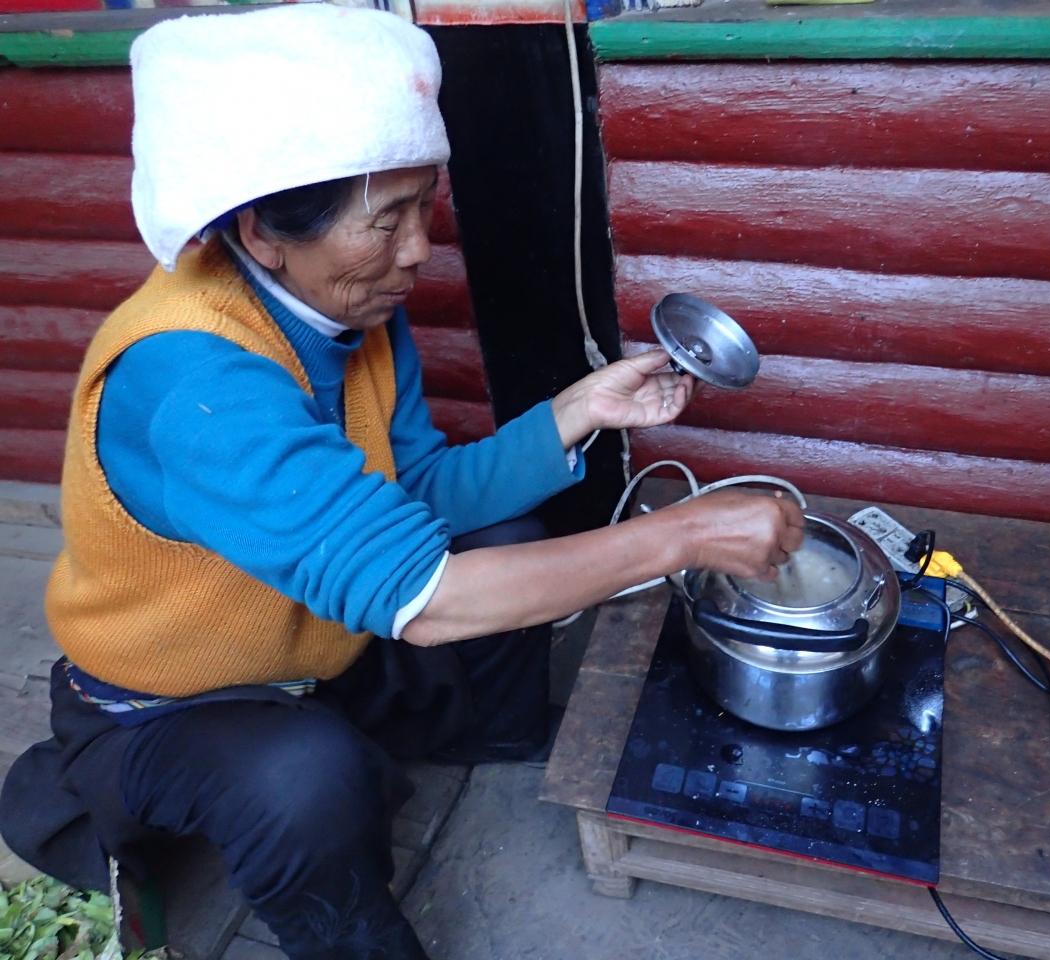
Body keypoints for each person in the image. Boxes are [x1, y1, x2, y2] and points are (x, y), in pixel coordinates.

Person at [0, 5, 803, 959]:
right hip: (170, 704)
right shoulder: (194, 381)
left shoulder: (346, 307)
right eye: (387, 220)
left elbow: (417, 487)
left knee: (512, 532)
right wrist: (686, 533)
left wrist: (578, 409)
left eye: (425, 206)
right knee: (304, 779)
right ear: (263, 230)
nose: (419, 248)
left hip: (310, 649)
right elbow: (430, 601)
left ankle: (484, 742)